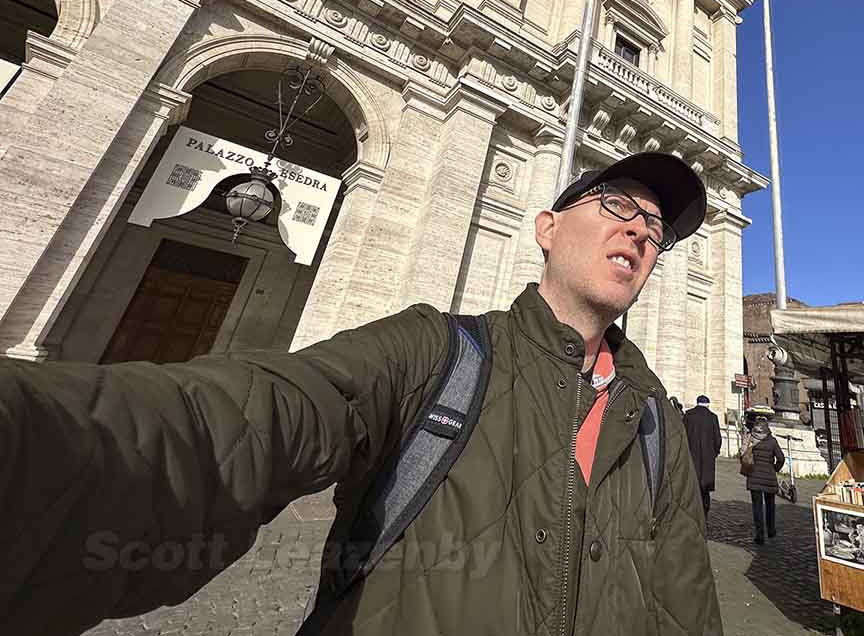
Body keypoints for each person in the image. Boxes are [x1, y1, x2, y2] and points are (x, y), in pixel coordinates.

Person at [0, 153, 723, 636]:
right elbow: (247, 417)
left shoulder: (655, 415)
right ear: (546, 227)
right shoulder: (434, 352)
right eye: (618, 204)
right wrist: (34, 438)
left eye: (657, 229)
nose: (639, 228)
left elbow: (684, 596)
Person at [741, 413, 784, 544]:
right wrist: (775, 468)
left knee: (757, 507)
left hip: (754, 476)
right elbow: (781, 458)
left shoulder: (750, 439)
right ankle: (771, 530)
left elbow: (742, 456)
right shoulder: (772, 441)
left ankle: (760, 535)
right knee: (770, 505)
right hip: (769, 476)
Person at [683, 394, 722, 516]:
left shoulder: (688, 415)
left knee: (692, 487)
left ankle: (691, 513)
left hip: (691, 456)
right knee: (705, 489)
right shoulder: (713, 417)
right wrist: (714, 453)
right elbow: (718, 439)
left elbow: (682, 435)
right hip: (707, 459)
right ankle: (704, 513)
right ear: (708, 404)